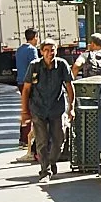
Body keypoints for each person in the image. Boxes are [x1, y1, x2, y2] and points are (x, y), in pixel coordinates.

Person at [27, 40, 75, 180]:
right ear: (41, 52)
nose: (50, 53)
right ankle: (45, 170)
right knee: (42, 141)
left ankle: (51, 161)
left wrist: (71, 107)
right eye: (46, 50)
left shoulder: (61, 65)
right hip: (38, 108)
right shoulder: (34, 66)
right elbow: (26, 89)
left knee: (59, 140)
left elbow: (69, 86)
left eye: (52, 50)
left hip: (57, 108)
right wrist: (25, 111)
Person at [14, 27, 39, 156]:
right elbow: (35, 66)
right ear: (34, 37)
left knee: (25, 108)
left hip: (20, 81)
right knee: (31, 109)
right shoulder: (32, 50)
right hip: (29, 82)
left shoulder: (19, 49)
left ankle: (23, 138)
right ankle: (26, 138)